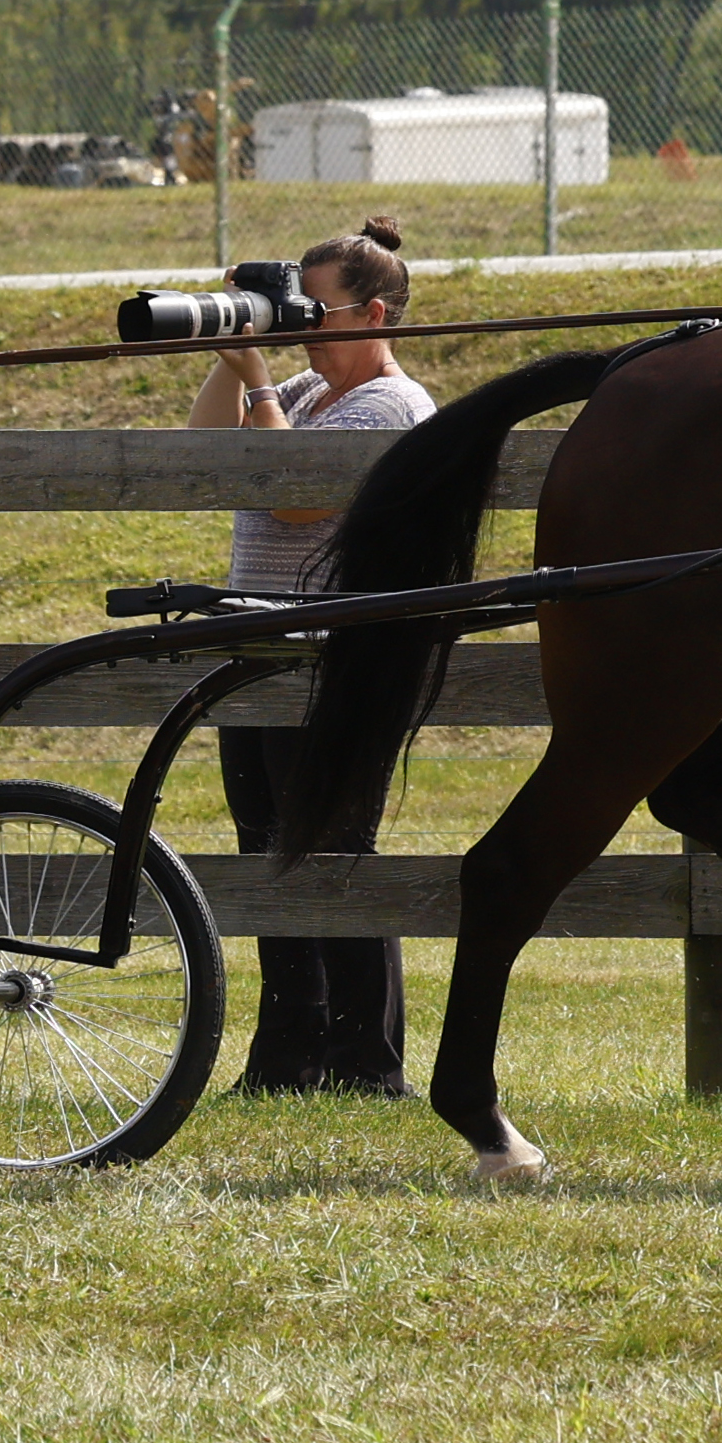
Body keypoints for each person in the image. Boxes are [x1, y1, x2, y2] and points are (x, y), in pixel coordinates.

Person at [189, 216, 431, 1095]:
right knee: (267, 852)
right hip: (257, 652)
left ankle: (366, 1061)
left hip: (333, 663)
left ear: (371, 315)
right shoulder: (301, 389)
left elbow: (296, 503)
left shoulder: (392, 406)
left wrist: (258, 380)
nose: (293, 325)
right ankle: (287, 1059)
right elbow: (207, 456)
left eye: (308, 309)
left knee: (334, 849)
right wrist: (232, 357)